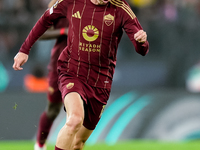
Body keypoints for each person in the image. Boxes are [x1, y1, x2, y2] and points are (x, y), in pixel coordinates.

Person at [13, 0, 149, 149]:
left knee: (78, 143)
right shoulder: (72, 1)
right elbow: (46, 19)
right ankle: (40, 143)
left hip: (100, 82)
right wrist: (24, 50)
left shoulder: (120, 7)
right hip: (72, 72)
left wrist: (141, 42)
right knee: (74, 120)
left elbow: (141, 49)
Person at [33, 0, 68, 149]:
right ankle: (40, 144)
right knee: (53, 110)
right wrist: (63, 31)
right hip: (59, 66)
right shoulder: (57, 6)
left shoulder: (91, 6)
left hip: (82, 66)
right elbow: (40, 32)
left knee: (77, 110)